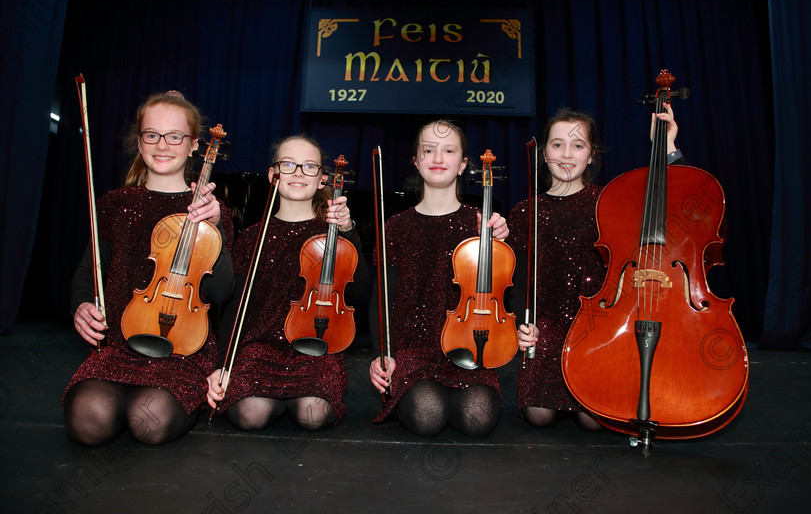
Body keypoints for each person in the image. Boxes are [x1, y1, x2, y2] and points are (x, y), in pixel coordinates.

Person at [64, 90, 235, 446]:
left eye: (174, 136)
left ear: (193, 146)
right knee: (87, 421)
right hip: (119, 343)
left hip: (183, 348)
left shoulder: (211, 211)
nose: (162, 145)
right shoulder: (115, 204)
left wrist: (214, 228)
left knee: (149, 421)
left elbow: (221, 293)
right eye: (151, 135)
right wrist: (81, 304)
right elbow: (89, 270)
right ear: (139, 141)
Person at [508, 104, 683, 430]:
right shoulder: (525, 211)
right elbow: (518, 283)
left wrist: (666, 146)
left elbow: (670, 208)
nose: (566, 153)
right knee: (538, 415)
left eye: (578, 145)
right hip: (546, 331)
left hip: (598, 328)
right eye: (557, 144)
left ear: (591, 155)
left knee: (594, 420)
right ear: (544, 152)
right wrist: (522, 325)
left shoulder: (609, 202)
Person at [206, 134, 365, 431]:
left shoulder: (331, 236)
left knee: (312, 415)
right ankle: (270, 398)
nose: (298, 173)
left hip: (315, 348)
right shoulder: (252, 237)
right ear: (272, 174)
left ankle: (288, 400)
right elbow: (233, 308)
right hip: (259, 349)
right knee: (250, 416)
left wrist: (348, 233)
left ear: (322, 179)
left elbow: (358, 295)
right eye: (288, 164)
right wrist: (222, 365)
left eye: (309, 167)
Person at [368, 119, 510, 437]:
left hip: (468, 348)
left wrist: (498, 245)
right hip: (412, 350)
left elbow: (502, 295)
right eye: (428, 150)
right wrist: (383, 354)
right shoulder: (396, 226)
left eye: (448, 151)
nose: (437, 158)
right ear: (417, 161)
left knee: (478, 418)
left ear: (461, 165)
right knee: (427, 414)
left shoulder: (480, 225)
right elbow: (382, 299)